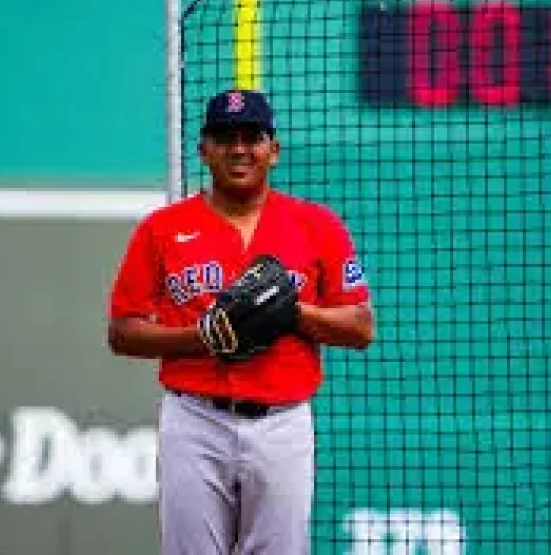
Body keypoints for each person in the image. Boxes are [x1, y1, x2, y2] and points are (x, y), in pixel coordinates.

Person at [106, 88, 375, 555]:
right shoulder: (162, 228)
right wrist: (202, 337)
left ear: (274, 149)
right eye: (224, 137)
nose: (238, 149)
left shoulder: (317, 225)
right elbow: (122, 332)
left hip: (283, 421)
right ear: (203, 149)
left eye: (252, 137)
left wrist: (291, 312)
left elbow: (360, 327)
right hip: (194, 419)